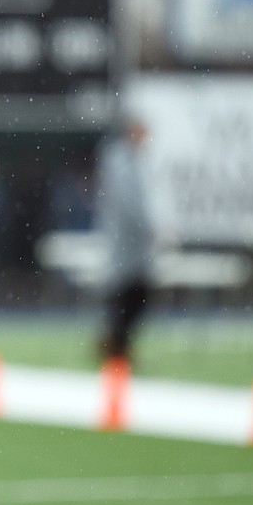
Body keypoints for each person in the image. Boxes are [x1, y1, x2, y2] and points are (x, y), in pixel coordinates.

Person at [95, 114, 156, 366]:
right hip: (125, 243)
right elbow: (130, 204)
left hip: (130, 244)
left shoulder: (127, 160)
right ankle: (116, 347)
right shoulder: (121, 161)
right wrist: (148, 228)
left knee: (130, 296)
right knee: (129, 295)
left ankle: (117, 345)